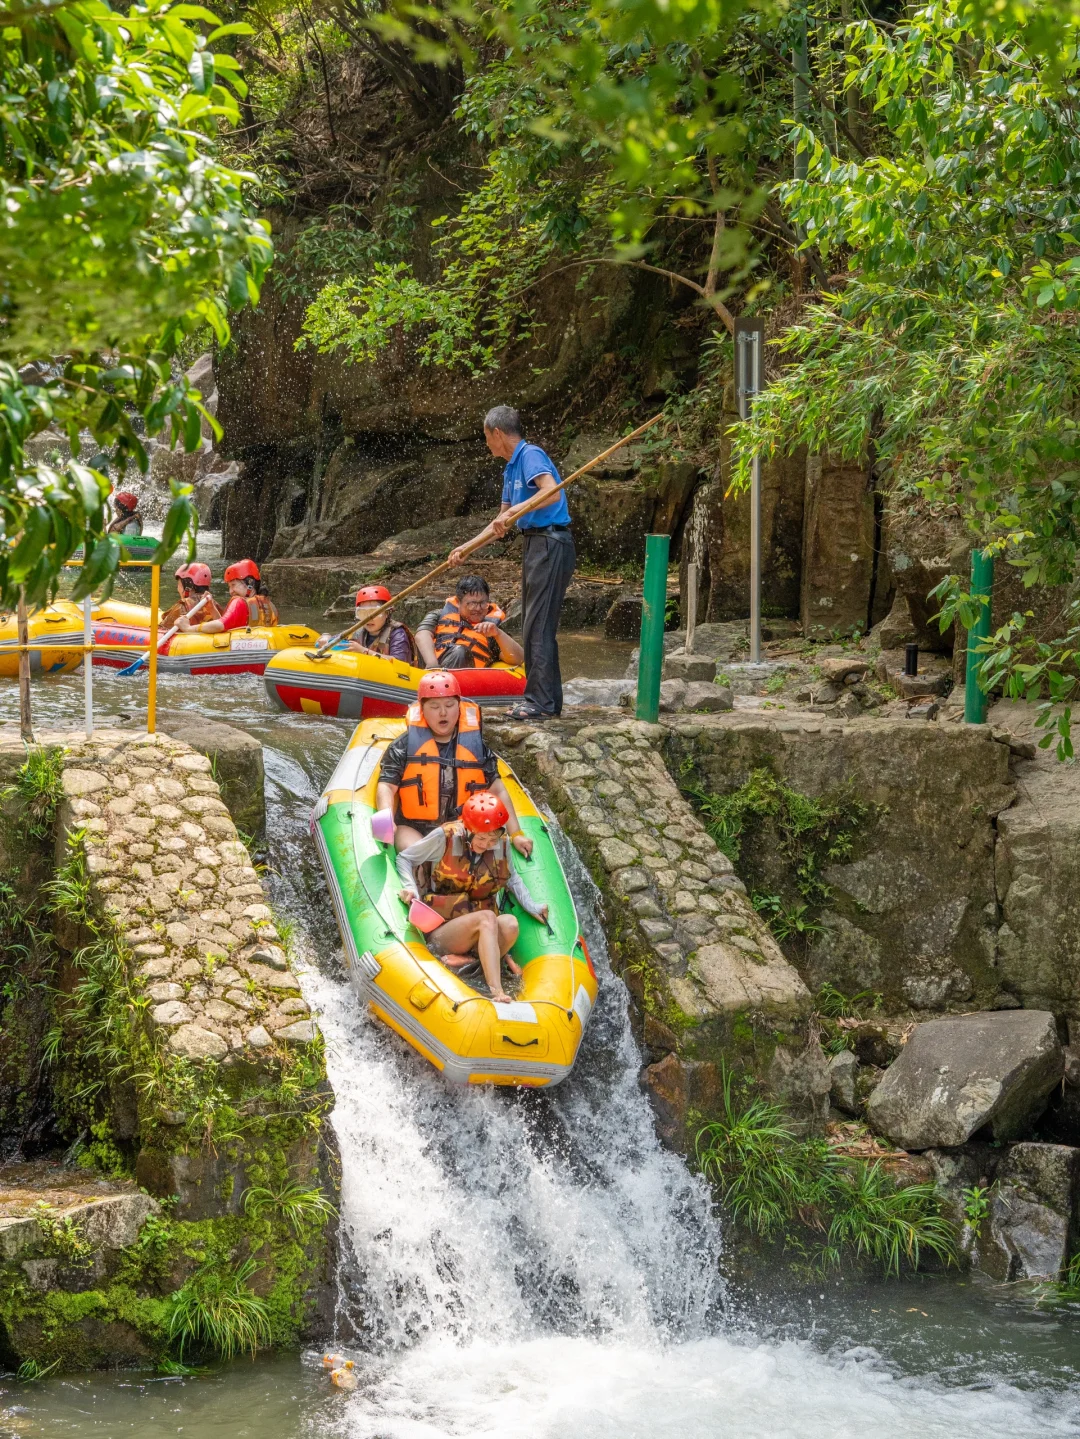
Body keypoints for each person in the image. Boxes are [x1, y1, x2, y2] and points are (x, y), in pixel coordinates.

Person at [448, 406, 574, 720]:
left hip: (551, 541)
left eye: (486, 436)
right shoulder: (509, 469)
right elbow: (500, 524)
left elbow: (551, 493)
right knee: (535, 622)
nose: (486, 443)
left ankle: (539, 704)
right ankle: (549, 701)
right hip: (534, 542)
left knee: (537, 625)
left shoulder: (530, 455)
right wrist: (466, 548)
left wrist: (514, 513)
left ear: (498, 433)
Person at [396, 790, 547, 1004]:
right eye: (482, 837)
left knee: (510, 924)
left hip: (480, 929)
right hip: (443, 929)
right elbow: (405, 858)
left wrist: (532, 906)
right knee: (486, 918)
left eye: (492, 838)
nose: (486, 844)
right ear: (468, 829)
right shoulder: (445, 837)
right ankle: (496, 991)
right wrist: (410, 887)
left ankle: (469, 961)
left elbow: (512, 879)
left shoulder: (501, 844)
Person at [375, 669, 533, 858]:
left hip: (463, 830)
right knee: (413, 849)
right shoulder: (403, 746)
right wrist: (385, 817)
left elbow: (497, 790)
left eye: (449, 705)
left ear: (459, 707)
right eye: (434, 707)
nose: (443, 712)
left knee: (485, 856)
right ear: (422, 709)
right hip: (415, 828)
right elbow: (386, 785)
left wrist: (516, 834)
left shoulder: (477, 748)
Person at [414, 574, 524, 670]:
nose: (478, 608)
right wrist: (432, 664)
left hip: (466, 679)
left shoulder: (492, 630)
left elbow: (519, 659)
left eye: (483, 603)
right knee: (458, 651)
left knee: (460, 652)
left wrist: (498, 634)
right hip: (430, 668)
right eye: (472, 603)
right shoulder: (438, 615)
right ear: (458, 602)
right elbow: (422, 635)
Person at [176, 559, 279, 635]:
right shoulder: (270, 605)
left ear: (250, 583)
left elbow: (220, 626)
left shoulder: (239, 602)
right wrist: (212, 609)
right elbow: (228, 625)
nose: (231, 591)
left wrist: (188, 628)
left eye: (233, 585)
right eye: (229, 587)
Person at [344, 585, 417, 664]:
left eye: (375, 613)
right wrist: (328, 638)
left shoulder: (397, 633)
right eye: (363, 613)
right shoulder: (357, 631)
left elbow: (400, 663)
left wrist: (363, 651)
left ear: (387, 613)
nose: (369, 618)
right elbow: (336, 640)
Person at [160, 563, 221, 631]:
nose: (177, 588)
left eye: (179, 584)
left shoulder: (182, 606)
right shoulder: (215, 605)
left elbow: (162, 630)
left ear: (188, 588)